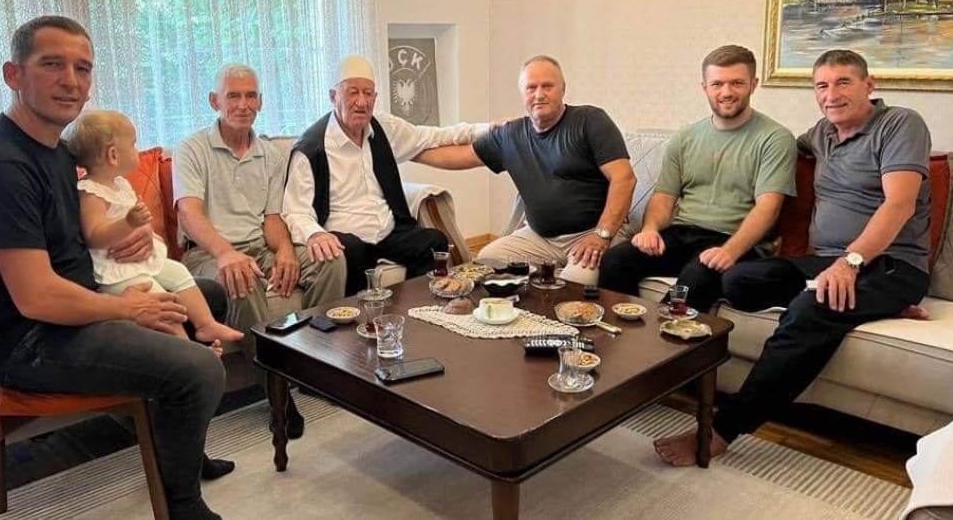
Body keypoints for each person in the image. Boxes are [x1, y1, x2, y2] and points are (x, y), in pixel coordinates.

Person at [0, 16, 229, 519]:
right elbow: (37, 297)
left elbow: (84, 236)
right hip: (27, 340)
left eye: (83, 68)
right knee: (198, 368)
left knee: (209, 296)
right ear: (13, 74)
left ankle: (180, 451)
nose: (71, 81)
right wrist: (127, 310)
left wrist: (135, 244)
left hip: (65, 312)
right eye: (52, 64)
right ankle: (183, 506)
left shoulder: (53, 150)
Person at [655, 49, 933, 466]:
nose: (831, 94)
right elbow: (771, 144)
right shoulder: (822, 133)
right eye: (822, 85)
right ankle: (877, 304)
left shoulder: (900, 124)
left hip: (892, 264)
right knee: (738, 280)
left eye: (843, 82)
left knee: (808, 309)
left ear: (869, 85)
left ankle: (721, 429)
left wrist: (850, 264)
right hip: (829, 261)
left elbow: (899, 204)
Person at [173, 62, 346, 437]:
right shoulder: (191, 149)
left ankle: (319, 367)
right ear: (214, 101)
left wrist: (285, 249)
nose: (242, 104)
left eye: (250, 95)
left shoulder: (270, 155)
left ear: (261, 102)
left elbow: (271, 218)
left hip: (258, 248)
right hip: (208, 254)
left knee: (330, 258)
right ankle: (276, 392)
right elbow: (190, 214)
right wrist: (225, 253)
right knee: (242, 275)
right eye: (233, 96)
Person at [598, 46, 797, 311]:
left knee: (695, 279)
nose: (726, 92)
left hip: (734, 240)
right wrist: (649, 229)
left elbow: (768, 208)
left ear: (753, 84)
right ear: (705, 88)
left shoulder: (775, 138)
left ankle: (661, 335)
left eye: (737, 83)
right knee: (615, 260)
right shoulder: (685, 137)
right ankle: (624, 329)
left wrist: (730, 251)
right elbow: (664, 196)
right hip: (682, 234)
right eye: (717, 84)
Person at [412, 54, 636, 286]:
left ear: (563, 89)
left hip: (591, 233)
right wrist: (406, 150)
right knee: (488, 260)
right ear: (522, 93)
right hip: (539, 238)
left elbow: (625, 179)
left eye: (547, 86)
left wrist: (601, 234)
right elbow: (458, 156)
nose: (539, 94)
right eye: (531, 88)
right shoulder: (510, 134)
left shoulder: (590, 120)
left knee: (574, 285)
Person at [282, 55, 488, 296]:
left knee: (433, 241)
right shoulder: (311, 148)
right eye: (352, 92)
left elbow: (431, 137)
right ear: (333, 97)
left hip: (388, 232)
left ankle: (420, 308)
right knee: (351, 251)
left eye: (368, 93)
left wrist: (486, 129)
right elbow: (295, 212)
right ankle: (359, 315)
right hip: (347, 239)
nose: (361, 102)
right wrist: (315, 233)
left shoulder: (382, 126)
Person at [62, 109, 244, 352]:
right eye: (133, 144)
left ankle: (206, 324)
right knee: (162, 303)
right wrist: (129, 223)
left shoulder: (119, 184)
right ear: (113, 155)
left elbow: (140, 221)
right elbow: (94, 236)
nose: (136, 149)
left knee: (179, 272)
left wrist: (144, 227)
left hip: (139, 263)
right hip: (118, 272)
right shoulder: (91, 192)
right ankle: (188, 353)